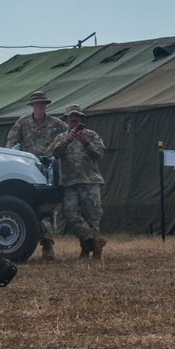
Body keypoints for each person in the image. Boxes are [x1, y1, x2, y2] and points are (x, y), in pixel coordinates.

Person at [6, 91, 67, 260]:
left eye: (42, 103)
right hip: (30, 170)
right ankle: (41, 242)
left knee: (49, 207)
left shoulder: (57, 124)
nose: (40, 106)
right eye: (37, 103)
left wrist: (60, 159)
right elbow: (11, 143)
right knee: (33, 205)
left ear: (46, 105)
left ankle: (48, 245)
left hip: (51, 170)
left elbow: (68, 141)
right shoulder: (23, 122)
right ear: (32, 105)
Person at [46, 104, 107, 260]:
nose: (74, 119)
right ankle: (95, 240)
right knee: (70, 214)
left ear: (81, 119)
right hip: (69, 183)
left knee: (92, 216)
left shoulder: (91, 135)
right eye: (71, 116)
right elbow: (52, 154)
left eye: (77, 116)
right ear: (66, 119)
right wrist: (67, 140)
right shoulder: (61, 137)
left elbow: (100, 154)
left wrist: (86, 143)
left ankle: (89, 251)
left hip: (90, 181)